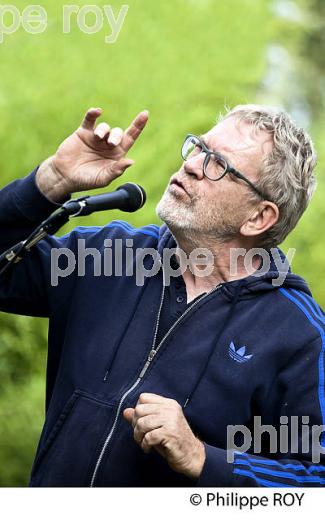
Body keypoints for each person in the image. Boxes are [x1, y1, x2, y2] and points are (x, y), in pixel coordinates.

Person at [0, 104, 324, 487]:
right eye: (198, 148)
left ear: (258, 218)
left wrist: (204, 459)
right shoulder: (108, 257)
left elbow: (314, 479)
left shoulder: (299, 335)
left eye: (218, 164)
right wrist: (49, 181)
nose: (191, 165)